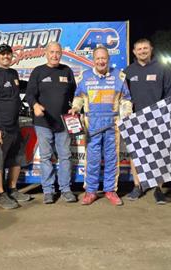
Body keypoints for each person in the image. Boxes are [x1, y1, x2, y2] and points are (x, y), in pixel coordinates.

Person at [69, 45, 132, 206]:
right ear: (93, 60)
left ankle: (110, 191)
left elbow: (126, 100)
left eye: (104, 58)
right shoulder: (85, 76)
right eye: (98, 58)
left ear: (108, 60)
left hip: (113, 125)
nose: (101, 61)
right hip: (92, 126)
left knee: (112, 158)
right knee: (93, 159)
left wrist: (126, 113)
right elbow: (79, 98)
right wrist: (75, 108)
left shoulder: (119, 76)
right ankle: (90, 191)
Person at [124, 38, 171, 204]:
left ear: (151, 49)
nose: (142, 51)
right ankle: (137, 186)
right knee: (136, 154)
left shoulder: (163, 69)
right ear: (134, 52)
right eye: (139, 49)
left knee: (159, 154)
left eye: (145, 48)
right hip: (135, 119)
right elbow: (123, 97)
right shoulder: (128, 71)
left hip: (158, 118)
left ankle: (158, 189)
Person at [26, 41, 77, 204]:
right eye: (52, 52)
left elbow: (74, 95)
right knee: (46, 157)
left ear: (61, 54)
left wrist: (74, 107)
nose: (55, 55)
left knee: (65, 157)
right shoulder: (38, 71)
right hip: (43, 123)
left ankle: (66, 189)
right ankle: (48, 191)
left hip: (63, 122)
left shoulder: (67, 71)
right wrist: (35, 105)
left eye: (57, 52)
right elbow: (29, 94)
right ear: (46, 53)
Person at [0, 44, 31, 209]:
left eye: (8, 54)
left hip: (14, 126)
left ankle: (12, 189)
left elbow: (22, 88)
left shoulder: (13, 73)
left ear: (12, 56)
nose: (6, 57)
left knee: (16, 159)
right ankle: (0, 194)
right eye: (2, 54)